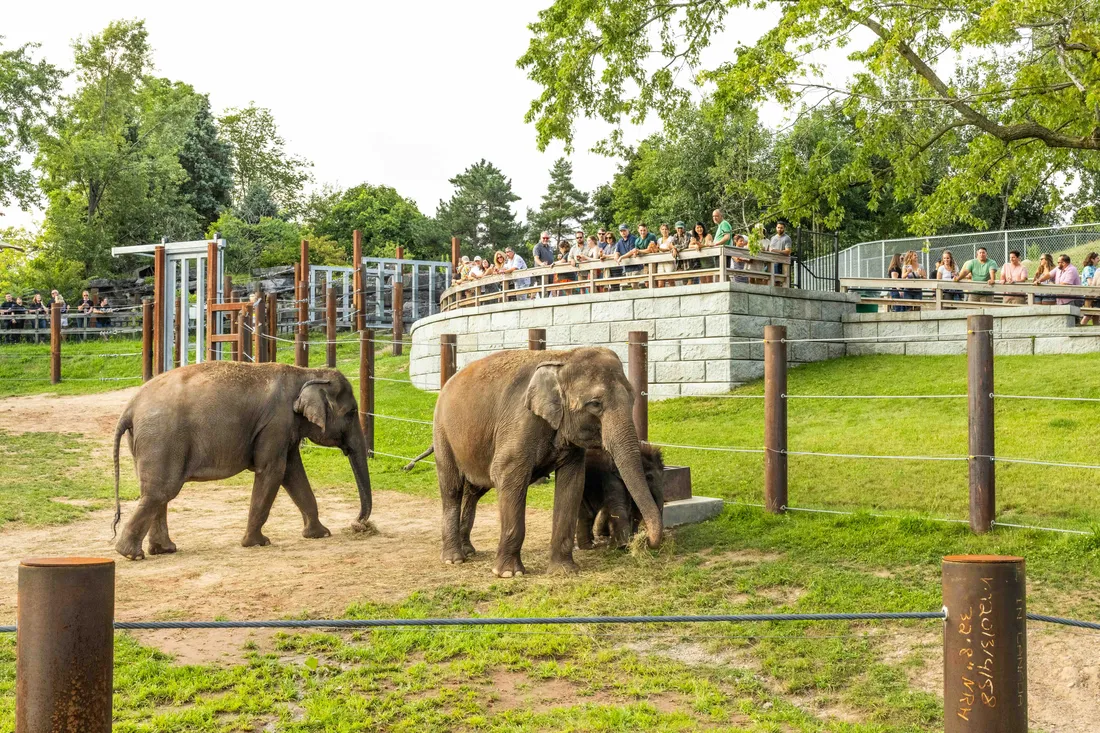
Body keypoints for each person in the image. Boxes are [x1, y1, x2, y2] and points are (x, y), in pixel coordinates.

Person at [1080, 252, 1099, 325]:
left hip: (1095, 293)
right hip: (1089, 294)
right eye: (1097, 258)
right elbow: (1090, 282)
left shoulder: (1095, 269)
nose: (1099, 259)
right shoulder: (1088, 268)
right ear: (1092, 259)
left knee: (1096, 314)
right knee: (1089, 314)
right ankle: (1081, 327)